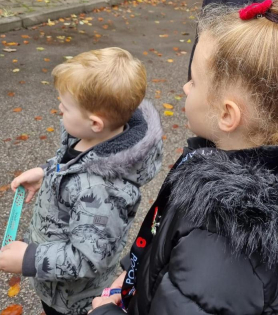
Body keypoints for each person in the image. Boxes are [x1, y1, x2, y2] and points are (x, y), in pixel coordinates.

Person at [90, 0, 278, 315]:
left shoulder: (219, 249)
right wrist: (135, 273)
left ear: (227, 116)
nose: (186, 88)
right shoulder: (227, 160)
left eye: (193, 80)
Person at [0, 47, 163, 315]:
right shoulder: (90, 138)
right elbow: (72, 165)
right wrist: (46, 172)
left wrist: (28, 259)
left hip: (73, 300)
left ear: (95, 123)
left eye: (65, 107)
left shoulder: (103, 191)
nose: (59, 110)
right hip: (55, 284)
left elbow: (88, 259)